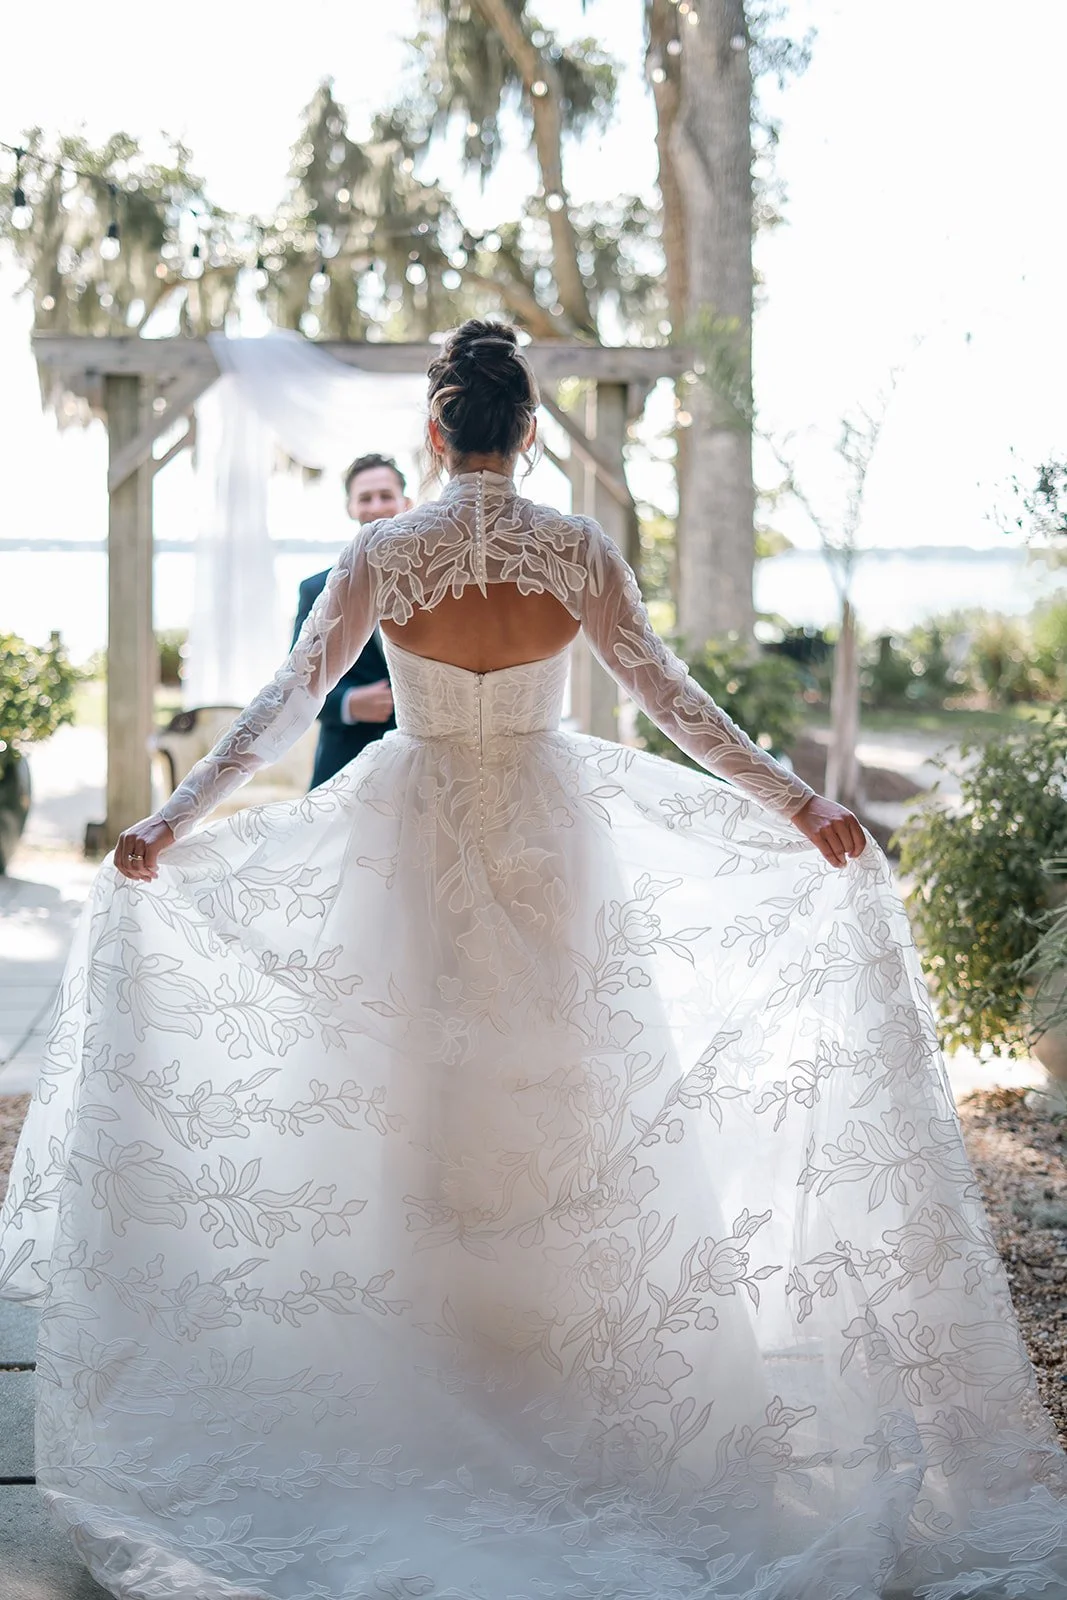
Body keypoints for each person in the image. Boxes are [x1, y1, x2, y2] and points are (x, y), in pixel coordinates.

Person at [3, 319, 1067, 1600]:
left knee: (417, 1107)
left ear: (438, 434)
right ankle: (559, 1386)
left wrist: (174, 820)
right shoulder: (574, 549)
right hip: (557, 851)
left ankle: (434, 1377)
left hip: (405, 845)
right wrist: (801, 803)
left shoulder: (384, 550)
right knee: (574, 1108)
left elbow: (290, 701)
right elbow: (674, 702)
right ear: (530, 433)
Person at [293, 452, 410, 788]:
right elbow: (298, 682)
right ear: (350, 508)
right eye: (365, 498)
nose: (376, 506)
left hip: (415, 768)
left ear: (406, 502)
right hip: (341, 766)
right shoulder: (316, 590)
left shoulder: (439, 585)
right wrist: (347, 703)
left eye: (386, 496)